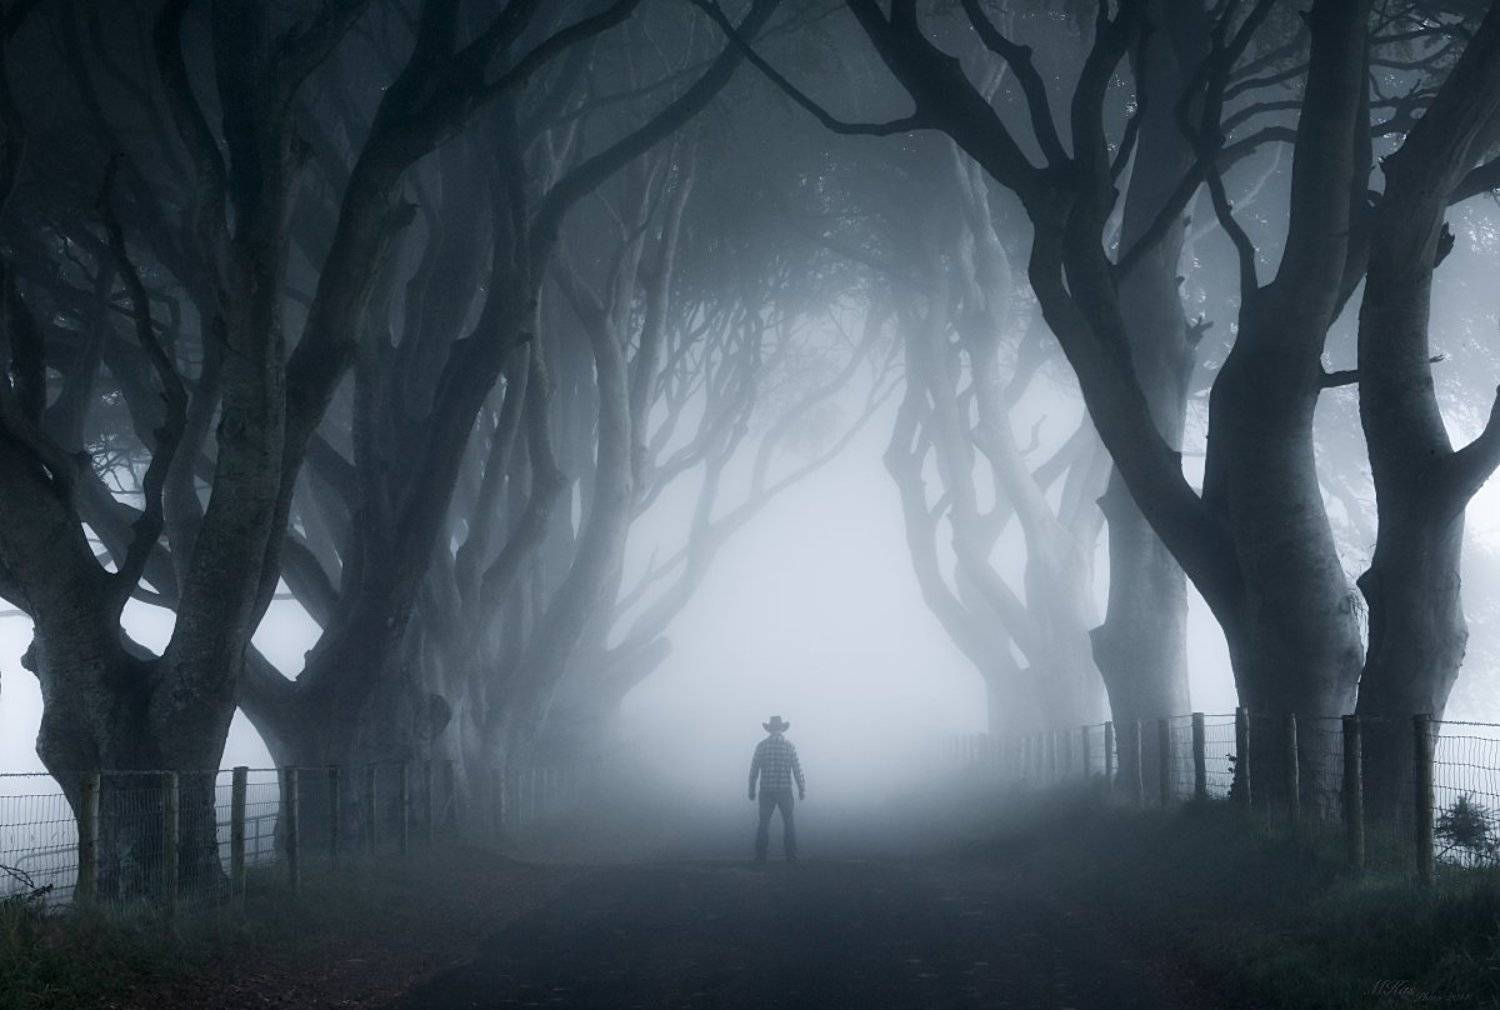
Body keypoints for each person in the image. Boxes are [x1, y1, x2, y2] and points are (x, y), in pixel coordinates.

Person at [748, 715, 805, 863]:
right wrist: (801, 788)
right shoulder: (789, 746)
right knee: (788, 822)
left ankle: (761, 856)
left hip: (766, 790)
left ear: (769, 729)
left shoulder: (762, 746)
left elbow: (754, 769)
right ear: (781, 729)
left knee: (763, 823)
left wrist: (751, 789)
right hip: (785, 790)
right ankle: (791, 856)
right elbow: (797, 769)